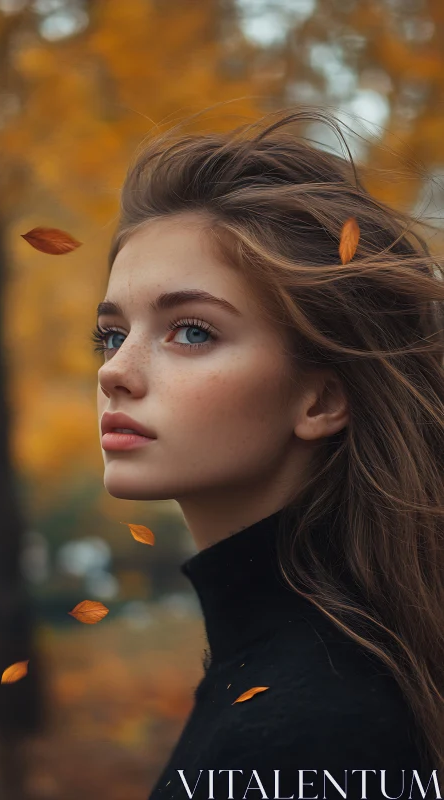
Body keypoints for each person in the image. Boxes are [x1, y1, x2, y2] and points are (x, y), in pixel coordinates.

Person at [93, 107, 444, 799]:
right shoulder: (291, 678)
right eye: (110, 335)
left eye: (190, 332)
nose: (114, 371)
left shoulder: (306, 732)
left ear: (319, 400)